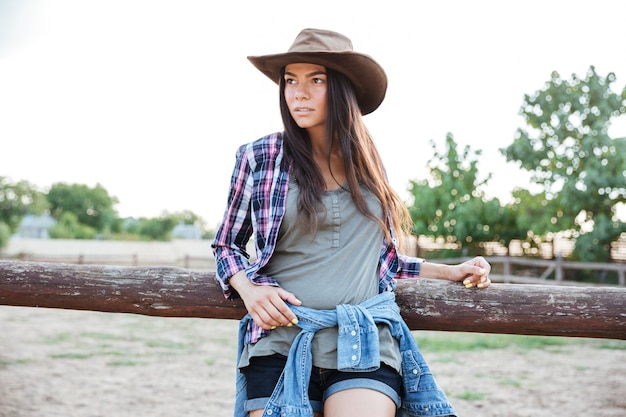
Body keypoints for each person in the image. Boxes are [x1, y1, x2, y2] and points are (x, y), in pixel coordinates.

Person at [212, 28, 492, 417]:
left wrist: (452, 271)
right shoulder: (259, 157)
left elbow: (384, 261)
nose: (298, 93)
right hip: (280, 339)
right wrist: (249, 290)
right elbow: (227, 246)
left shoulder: (369, 164)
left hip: (362, 338)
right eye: (290, 80)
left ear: (343, 90)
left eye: (316, 80)